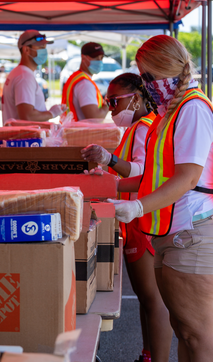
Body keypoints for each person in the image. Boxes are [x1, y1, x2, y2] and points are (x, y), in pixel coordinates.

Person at [98, 35, 213, 362]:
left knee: (197, 333)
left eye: (148, 76)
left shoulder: (191, 109)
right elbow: (154, 176)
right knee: (184, 329)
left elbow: (187, 178)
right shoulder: (171, 112)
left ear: (168, 70)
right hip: (178, 233)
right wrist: (109, 188)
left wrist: (137, 206)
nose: (145, 85)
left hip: (199, 232)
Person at [81, 73, 171, 362]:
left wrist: (110, 164)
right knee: (146, 299)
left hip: (143, 219)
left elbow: (144, 174)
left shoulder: (145, 128)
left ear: (135, 97)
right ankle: (148, 355)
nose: (110, 108)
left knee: (152, 298)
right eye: (107, 102)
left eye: (114, 101)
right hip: (133, 218)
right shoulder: (137, 128)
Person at [1, 30, 67, 123]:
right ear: (26, 50)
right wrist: (51, 113)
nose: (44, 51)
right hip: (24, 137)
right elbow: (27, 116)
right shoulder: (24, 77)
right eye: (40, 47)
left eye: (45, 47)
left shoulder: (19, 73)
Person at [61, 42, 109, 121]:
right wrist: (108, 104)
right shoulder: (85, 84)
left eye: (101, 58)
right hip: (81, 132)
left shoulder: (76, 77)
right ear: (83, 58)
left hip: (72, 130)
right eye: (96, 58)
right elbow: (94, 118)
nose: (99, 61)